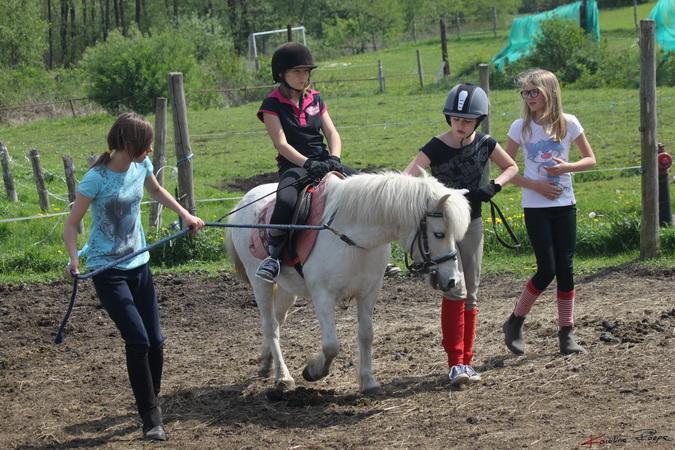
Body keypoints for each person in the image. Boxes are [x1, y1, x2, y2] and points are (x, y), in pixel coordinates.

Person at [63, 112, 205, 441]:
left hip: (138, 263)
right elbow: (72, 225)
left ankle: (149, 399)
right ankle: (151, 417)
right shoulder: (95, 179)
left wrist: (185, 214)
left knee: (156, 341)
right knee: (138, 339)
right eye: (146, 143)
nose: (150, 149)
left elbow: (156, 191)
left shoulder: (140, 167)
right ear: (128, 144)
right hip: (107, 270)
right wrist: (74, 260)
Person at [404, 83, 518, 386]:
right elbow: (408, 176)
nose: (460, 125)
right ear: (448, 119)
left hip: (473, 223)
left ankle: (468, 361)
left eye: (467, 120)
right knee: (454, 289)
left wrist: (494, 186)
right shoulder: (435, 146)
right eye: (455, 119)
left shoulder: (486, 143)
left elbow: (512, 167)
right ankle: (455, 362)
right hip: (444, 227)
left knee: (472, 292)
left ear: (478, 121)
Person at [501, 68, 596, 356]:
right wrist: (536, 186)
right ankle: (515, 321)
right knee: (547, 269)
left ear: (549, 93)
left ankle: (567, 332)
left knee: (566, 270)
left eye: (534, 92)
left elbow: (590, 159)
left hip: (565, 204)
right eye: (525, 92)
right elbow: (508, 168)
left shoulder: (569, 123)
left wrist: (566, 167)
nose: (529, 97)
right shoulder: (520, 127)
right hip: (535, 206)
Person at [255, 42, 353, 283]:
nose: (303, 77)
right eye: (297, 71)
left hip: (325, 161)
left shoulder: (316, 99)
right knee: (286, 200)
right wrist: (308, 164)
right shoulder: (271, 105)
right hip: (294, 166)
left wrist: (335, 158)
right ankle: (274, 256)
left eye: (306, 71)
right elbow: (281, 144)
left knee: (364, 187)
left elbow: (332, 133)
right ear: (281, 74)